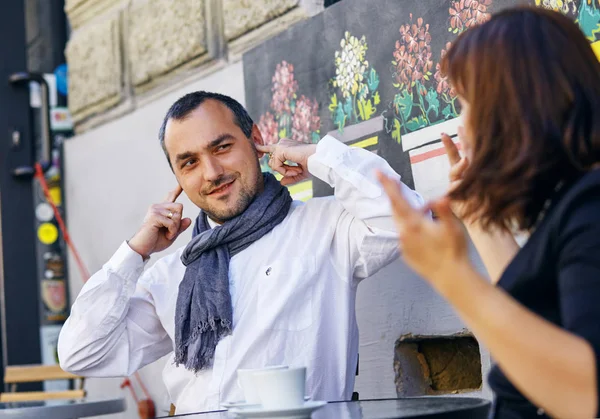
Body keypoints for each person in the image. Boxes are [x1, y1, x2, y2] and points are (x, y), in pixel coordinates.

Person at [57, 91, 424, 413]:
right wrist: (134, 252)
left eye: (222, 147)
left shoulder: (326, 228)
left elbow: (407, 221)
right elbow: (82, 353)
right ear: (178, 178)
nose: (212, 172)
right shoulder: (171, 275)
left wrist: (316, 156)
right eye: (190, 162)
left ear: (256, 139)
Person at [377, 7, 600, 419]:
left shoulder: (591, 206)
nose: (461, 127)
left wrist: (450, 274)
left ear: (515, 106)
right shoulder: (574, 201)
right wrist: (479, 217)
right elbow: (532, 321)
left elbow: (588, 397)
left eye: (466, 104)